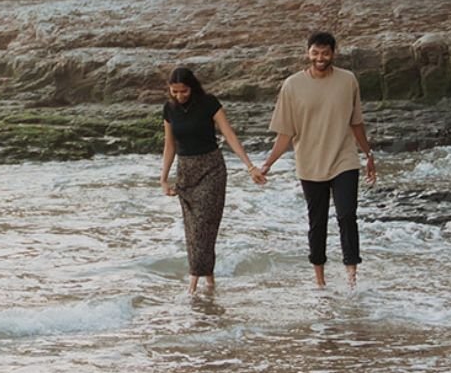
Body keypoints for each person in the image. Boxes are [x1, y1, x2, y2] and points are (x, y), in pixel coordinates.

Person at [258, 31, 377, 288]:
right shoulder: (292, 85)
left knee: (347, 216)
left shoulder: (348, 81)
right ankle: (320, 281)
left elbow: (356, 123)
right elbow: (286, 133)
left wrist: (368, 154)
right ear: (307, 52)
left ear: (334, 53)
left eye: (325, 53)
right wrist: (268, 164)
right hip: (309, 162)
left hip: (344, 159)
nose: (320, 58)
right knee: (317, 221)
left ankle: (351, 276)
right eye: (315, 53)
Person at [159, 66, 263, 294]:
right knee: (193, 230)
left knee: (204, 227)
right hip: (186, 172)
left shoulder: (209, 103)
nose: (179, 96)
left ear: (192, 87)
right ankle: (210, 281)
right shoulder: (169, 109)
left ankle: (193, 284)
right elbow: (170, 145)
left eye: (183, 91)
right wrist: (164, 179)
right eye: (174, 92)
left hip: (211, 170)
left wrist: (250, 166)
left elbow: (229, 134)